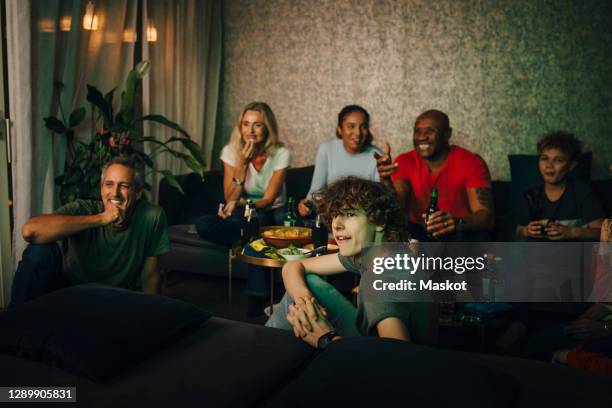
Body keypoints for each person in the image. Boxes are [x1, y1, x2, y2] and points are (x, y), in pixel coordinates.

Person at [266, 177, 435, 350]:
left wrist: (325, 338)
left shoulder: (379, 282)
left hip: (394, 365)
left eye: (350, 214)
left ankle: (262, 355)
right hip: (375, 341)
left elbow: (399, 360)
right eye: (334, 215)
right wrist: (305, 303)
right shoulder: (378, 252)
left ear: (379, 222)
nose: (336, 225)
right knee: (306, 284)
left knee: (295, 314)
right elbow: (293, 266)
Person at [10, 155, 170, 307]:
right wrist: (101, 219)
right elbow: (30, 231)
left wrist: (150, 317)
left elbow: (150, 274)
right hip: (71, 292)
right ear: (101, 189)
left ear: (138, 192)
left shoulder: (152, 216)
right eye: (109, 184)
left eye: (124, 186)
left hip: (117, 300)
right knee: (40, 250)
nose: (114, 193)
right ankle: (15, 321)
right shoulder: (83, 209)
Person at [195, 101, 290, 315]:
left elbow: (268, 199)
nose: (250, 131)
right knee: (204, 224)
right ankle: (245, 235)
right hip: (243, 211)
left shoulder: (280, 153)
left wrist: (237, 204)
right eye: (246, 124)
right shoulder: (230, 151)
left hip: (270, 210)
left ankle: (256, 296)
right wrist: (242, 163)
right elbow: (230, 194)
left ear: (267, 128)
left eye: (257, 125)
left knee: (258, 223)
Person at [375, 109, 494, 241]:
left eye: (430, 130)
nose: (422, 137)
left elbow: (486, 217)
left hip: (458, 235)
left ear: (447, 134)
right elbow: (396, 206)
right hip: (418, 236)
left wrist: (455, 222)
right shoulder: (404, 161)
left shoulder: (472, 162)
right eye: (417, 131)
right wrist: (385, 180)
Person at [516, 132, 604, 241]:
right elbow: (517, 230)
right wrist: (526, 231)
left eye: (558, 160)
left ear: (571, 165)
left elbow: (602, 232)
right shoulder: (530, 194)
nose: (549, 165)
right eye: (544, 158)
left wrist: (572, 232)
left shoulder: (582, 192)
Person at [297, 105, 382, 218]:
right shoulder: (326, 149)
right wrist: (307, 204)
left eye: (363, 126)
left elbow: (380, 199)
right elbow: (316, 190)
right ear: (339, 129)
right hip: (331, 217)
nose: (358, 133)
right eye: (351, 126)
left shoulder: (377, 155)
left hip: (363, 219)